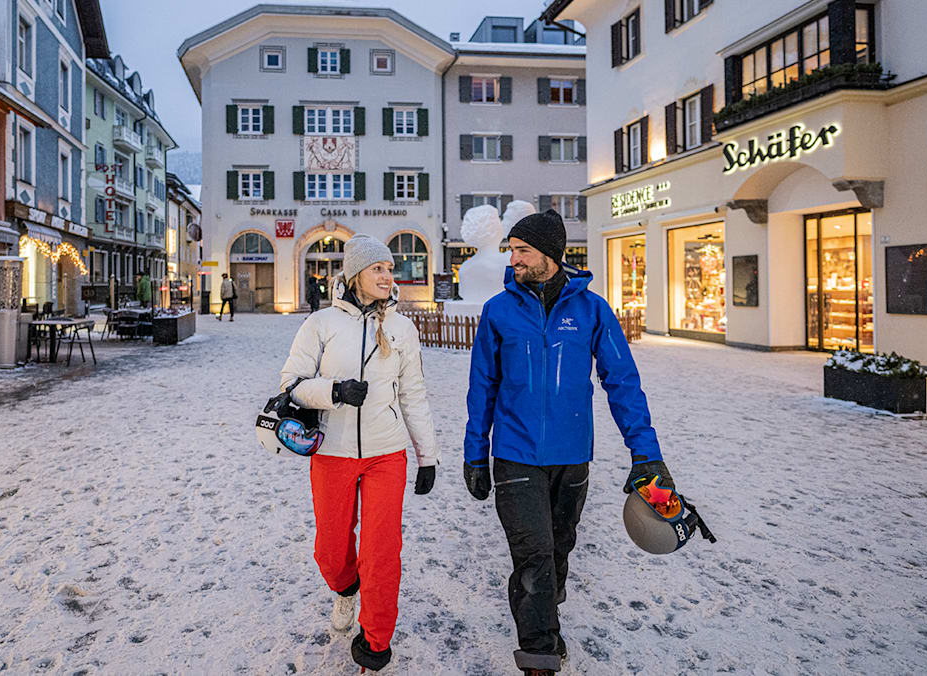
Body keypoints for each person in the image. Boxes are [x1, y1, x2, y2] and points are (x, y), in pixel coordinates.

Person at [462, 210, 676, 676]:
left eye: (522, 250)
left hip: (572, 457)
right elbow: (483, 389)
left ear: (550, 256)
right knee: (533, 556)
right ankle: (540, 656)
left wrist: (647, 453)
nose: (513, 258)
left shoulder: (592, 311)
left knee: (558, 550)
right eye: (512, 249)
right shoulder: (498, 311)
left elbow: (622, 382)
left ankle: (544, 604)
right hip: (515, 456)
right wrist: (475, 454)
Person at [279, 233, 439, 673]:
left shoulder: (402, 329)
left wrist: (427, 456)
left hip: (387, 454)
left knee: (383, 549)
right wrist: (334, 391)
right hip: (332, 451)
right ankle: (346, 588)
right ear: (355, 275)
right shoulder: (321, 324)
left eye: (390, 269)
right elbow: (289, 384)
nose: (389, 276)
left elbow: (414, 394)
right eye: (378, 269)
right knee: (331, 551)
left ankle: (376, 641)